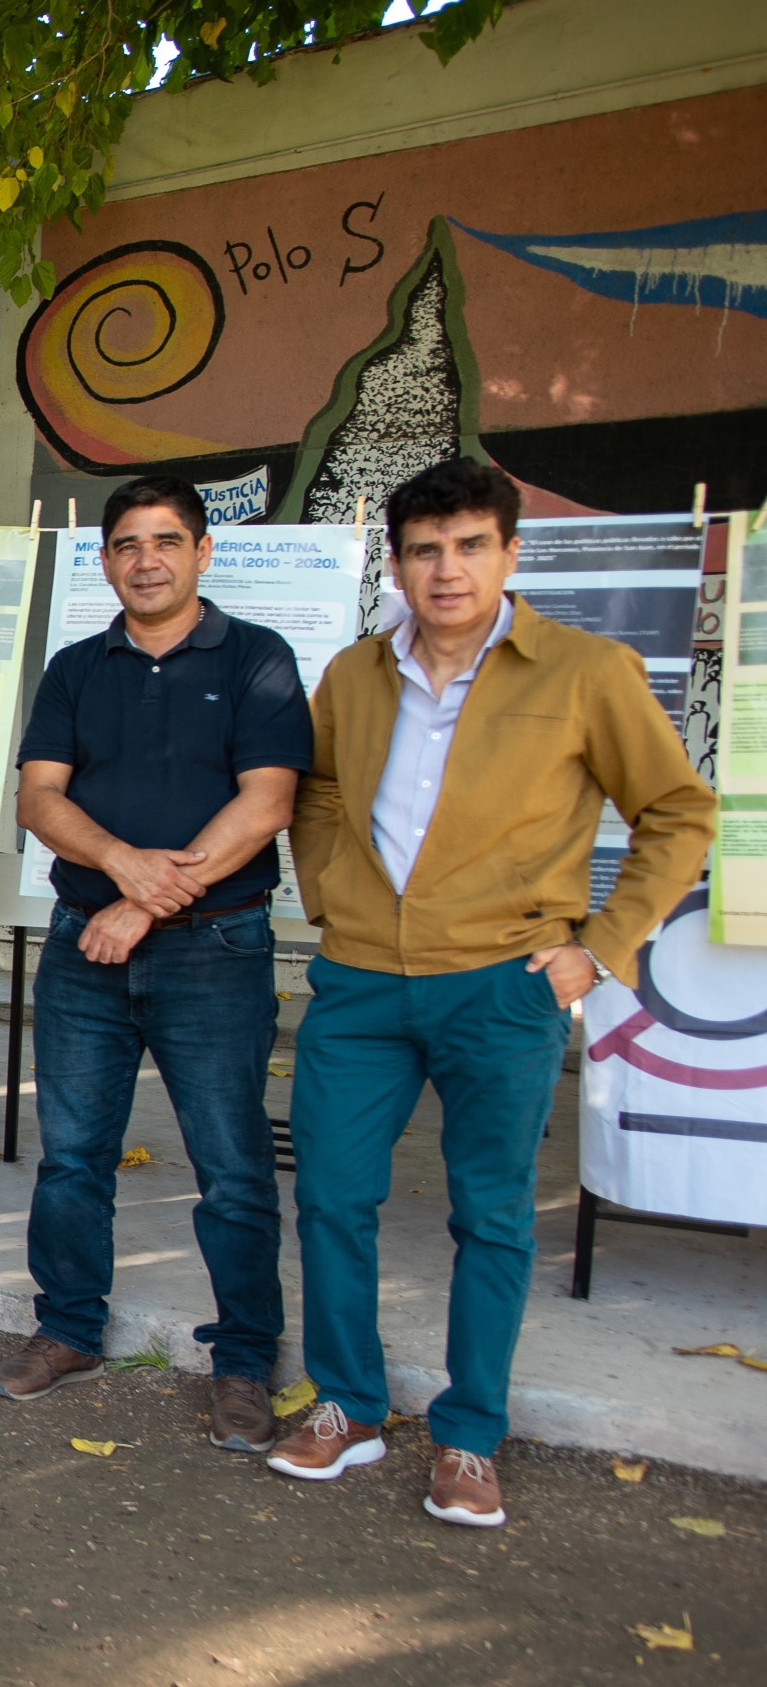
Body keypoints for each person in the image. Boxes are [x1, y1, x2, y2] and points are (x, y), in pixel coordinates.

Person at [278, 459, 713, 1528]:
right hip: (363, 980)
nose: (447, 569)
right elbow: (323, 787)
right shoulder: (355, 673)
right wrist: (330, 886)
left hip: (503, 986)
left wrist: (600, 949)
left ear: (511, 554)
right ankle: (348, 1404)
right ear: (398, 560)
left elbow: (677, 811)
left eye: (471, 545)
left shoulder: (583, 671)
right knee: (332, 1195)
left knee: (493, 1216)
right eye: (425, 549)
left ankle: (471, 1435)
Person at [0, 479, 312, 1452]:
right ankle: (70, 1329)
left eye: (166, 541)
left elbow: (268, 803)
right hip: (85, 947)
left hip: (214, 950)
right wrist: (120, 866)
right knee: (73, 1155)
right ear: (107, 560)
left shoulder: (257, 657)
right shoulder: (78, 668)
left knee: (232, 1167)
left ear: (203, 552)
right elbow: (39, 797)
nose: (146, 559)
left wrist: (140, 900)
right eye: (127, 544)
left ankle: (246, 1360)